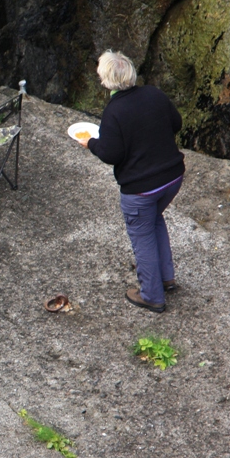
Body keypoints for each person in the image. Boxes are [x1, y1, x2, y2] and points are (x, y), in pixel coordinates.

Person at [83, 50, 184, 313]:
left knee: (142, 237)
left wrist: (90, 143)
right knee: (153, 220)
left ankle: (152, 295)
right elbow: (177, 123)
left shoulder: (113, 112)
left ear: (106, 80)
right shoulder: (154, 94)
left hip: (141, 190)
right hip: (172, 178)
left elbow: (111, 154)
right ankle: (166, 278)